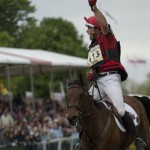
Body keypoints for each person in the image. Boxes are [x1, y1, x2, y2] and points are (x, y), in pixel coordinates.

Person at [81, 0, 146, 150]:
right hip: (99, 82)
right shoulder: (92, 46)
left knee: (121, 110)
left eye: (88, 28)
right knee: (83, 105)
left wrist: (94, 8)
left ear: (96, 29)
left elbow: (104, 24)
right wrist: (92, 73)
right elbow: (98, 65)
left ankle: (137, 139)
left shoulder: (106, 37)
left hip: (110, 80)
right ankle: (83, 141)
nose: (86, 31)